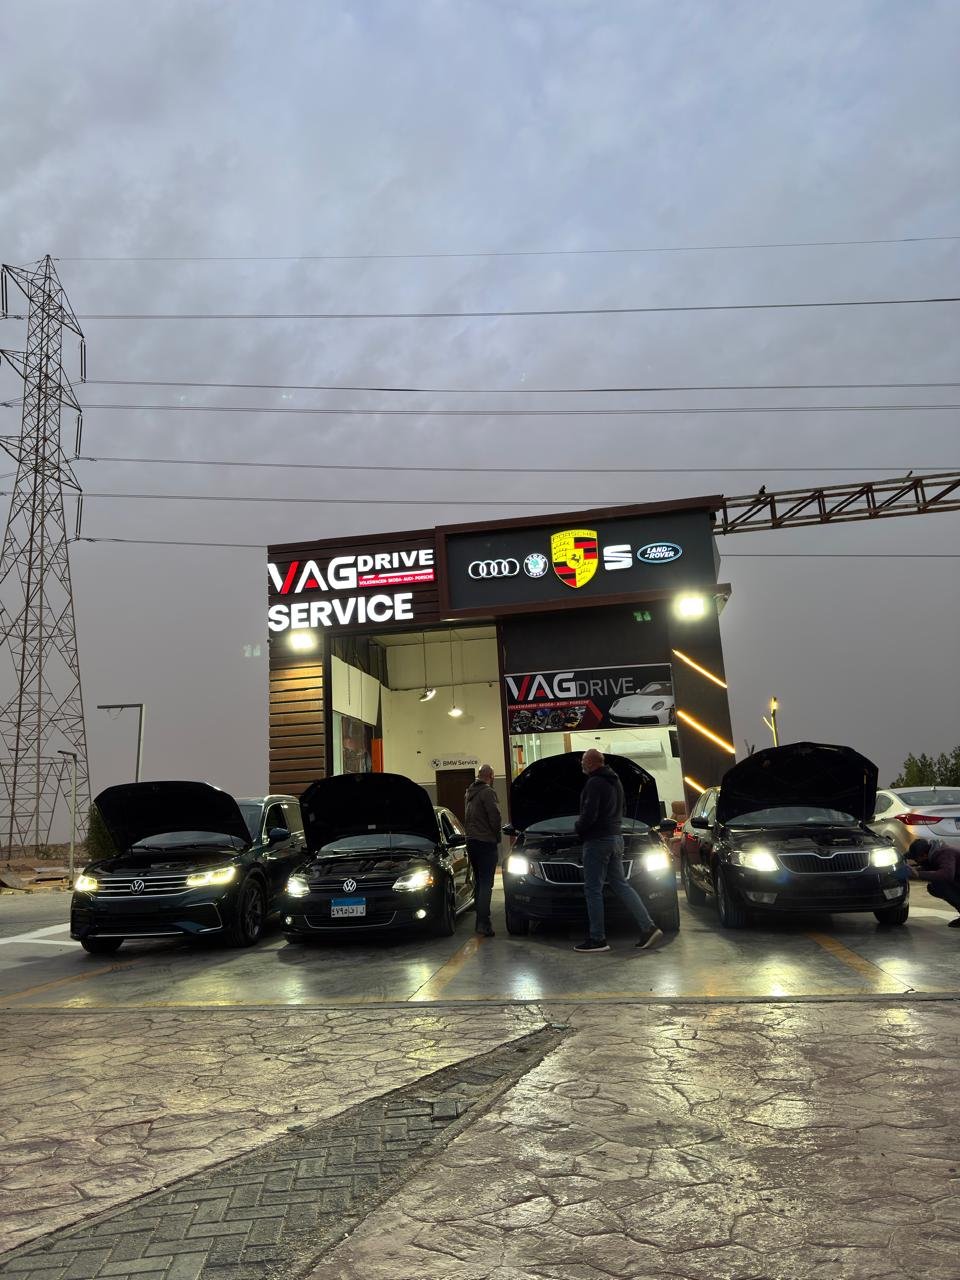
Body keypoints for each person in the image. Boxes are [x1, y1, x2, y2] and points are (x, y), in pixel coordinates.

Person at [573, 748, 663, 953]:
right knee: (621, 885)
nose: (582, 765)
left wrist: (578, 828)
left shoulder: (594, 783)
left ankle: (598, 939)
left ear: (591, 762)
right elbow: (622, 810)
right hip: (616, 838)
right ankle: (648, 927)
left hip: (597, 840)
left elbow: (589, 813)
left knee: (593, 889)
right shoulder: (616, 781)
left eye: (584, 761)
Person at [464, 764, 501, 937]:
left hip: (471, 842)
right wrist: (497, 836)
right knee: (487, 883)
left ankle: (480, 921)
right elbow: (495, 817)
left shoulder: (469, 792)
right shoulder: (488, 792)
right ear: (491, 776)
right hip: (485, 842)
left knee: (479, 882)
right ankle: (484, 923)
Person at [906, 837, 960, 925]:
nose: (915, 861)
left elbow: (946, 875)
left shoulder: (945, 854)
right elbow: (932, 868)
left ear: (924, 855)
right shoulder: (934, 854)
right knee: (934, 886)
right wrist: (914, 871)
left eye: (916, 858)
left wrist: (918, 874)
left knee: (938, 885)